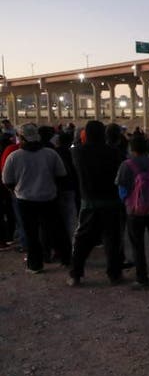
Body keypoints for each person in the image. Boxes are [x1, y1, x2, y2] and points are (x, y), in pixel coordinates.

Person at [1, 123, 72, 275]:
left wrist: (17, 191)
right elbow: (61, 175)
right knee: (56, 230)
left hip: (25, 200)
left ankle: (35, 264)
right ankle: (66, 258)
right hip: (49, 198)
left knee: (31, 234)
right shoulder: (50, 154)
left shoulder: (14, 156)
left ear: (21, 138)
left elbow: (7, 181)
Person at [69, 120, 124, 286]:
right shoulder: (114, 153)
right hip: (112, 202)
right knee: (112, 241)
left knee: (82, 241)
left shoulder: (78, 152)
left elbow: (74, 146)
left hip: (89, 203)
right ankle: (114, 274)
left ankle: (75, 274)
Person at [116, 135, 149, 289]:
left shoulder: (126, 165)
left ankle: (142, 278)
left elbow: (122, 187)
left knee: (137, 245)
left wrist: (127, 202)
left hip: (134, 211)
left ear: (131, 148)